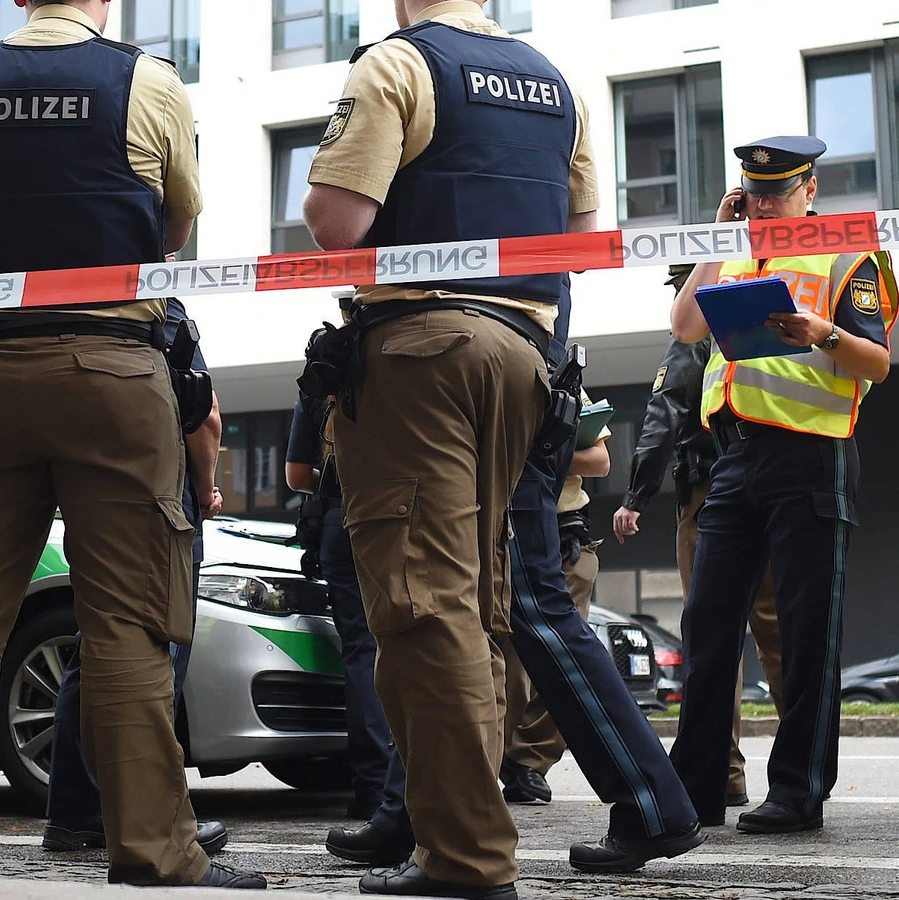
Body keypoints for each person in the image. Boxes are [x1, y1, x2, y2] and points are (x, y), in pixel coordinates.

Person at [0, 1, 263, 888]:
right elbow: (174, 228)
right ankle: (155, 853)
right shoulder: (147, 79)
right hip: (114, 369)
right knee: (127, 625)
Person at [302, 0, 629, 894]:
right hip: (525, 354)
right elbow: (578, 240)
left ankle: (466, 857)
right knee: (479, 604)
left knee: (422, 604)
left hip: (423, 350)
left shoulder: (398, 64)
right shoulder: (555, 82)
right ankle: (451, 832)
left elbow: (336, 225)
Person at [668, 136, 896, 834]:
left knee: (806, 630)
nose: (763, 205)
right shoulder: (736, 253)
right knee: (707, 624)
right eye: (754, 194)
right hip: (734, 457)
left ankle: (798, 793)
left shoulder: (848, 253)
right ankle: (696, 789)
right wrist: (717, 237)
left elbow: (878, 363)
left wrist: (823, 334)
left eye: (777, 192)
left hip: (811, 454)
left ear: (810, 191)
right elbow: (684, 326)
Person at [41, 297, 229, 857]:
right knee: (153, 650)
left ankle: (76, 810)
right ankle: (149, 819)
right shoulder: (159, 308)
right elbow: (203, 414)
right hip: (160, 492)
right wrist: (206, 489)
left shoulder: (78, 302)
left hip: (92, 488)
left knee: (93, 648)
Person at [613, 263, 785, 807]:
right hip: (774, 483)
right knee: (780, 632)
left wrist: (636, 496)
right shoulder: (767, 322)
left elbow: (663, 413)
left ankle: (723, 772)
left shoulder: (697, 333)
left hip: (711, 493)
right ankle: (799, 774)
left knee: (713, 632)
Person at [285, 379, 391, 821]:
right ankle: (415, 779)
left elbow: (296, 475)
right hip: (395, 513)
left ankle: (373, 786)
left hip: (338, 516)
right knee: (408, 644)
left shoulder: (320, 379)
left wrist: (332, 475)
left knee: (361, 651)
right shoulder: (398, 368)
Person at [500, 390, 609, 804]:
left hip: (566, 534)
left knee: (566, 657)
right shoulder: (488, 368)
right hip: (501, 529)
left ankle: (528, 762)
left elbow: (600, 461)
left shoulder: (564, 381)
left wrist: (539, 451)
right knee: (505, 657)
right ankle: (494, 758)